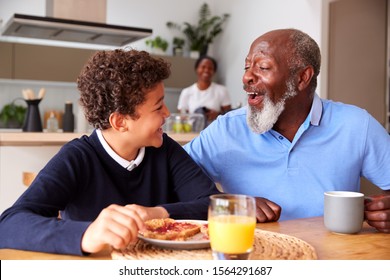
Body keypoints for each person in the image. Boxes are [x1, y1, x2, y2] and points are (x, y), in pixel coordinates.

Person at [0, 49, 220, 255]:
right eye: (158, 106)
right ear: (120, 121)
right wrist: (87, 234)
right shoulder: (77, 157)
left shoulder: (166, 149)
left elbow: (214, 204)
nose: (167, 113)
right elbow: (9, 225)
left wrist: (158, 213)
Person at [184, 28, 390, 233]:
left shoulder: (356, 124)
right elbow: (168, 182)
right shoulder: (226, 130)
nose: (246, 76)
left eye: (263, 67)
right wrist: (229, 204)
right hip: (253, 259)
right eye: (247, 67)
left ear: (302, 78)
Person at [177, 55, 232, 126]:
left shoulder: (221, 90)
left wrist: (217, 114)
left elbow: (229, 114)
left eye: (210, 68)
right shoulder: (186, 92)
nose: (206, 70)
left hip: (214, 130)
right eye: (203, 67)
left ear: (214, 71)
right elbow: (182, 116)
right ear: (197, 69)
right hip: (193, 131)